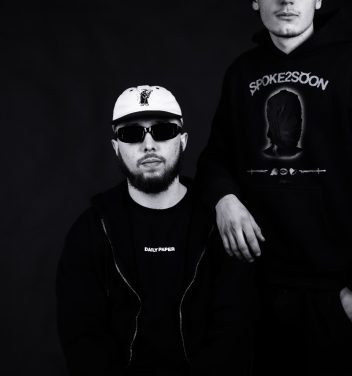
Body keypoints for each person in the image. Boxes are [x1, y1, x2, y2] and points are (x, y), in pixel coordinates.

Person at [196, 0, 352, 375]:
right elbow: (214, 158)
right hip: (258, 293)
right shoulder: (241, 73)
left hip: (337, 293)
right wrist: (223, 199)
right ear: (255, 0)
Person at [56, 85, 255, 376]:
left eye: (163, 131)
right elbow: (83, 337)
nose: (148, 145)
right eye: (131, 134)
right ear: (116, 147)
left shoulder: (219, 223)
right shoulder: (92, 230)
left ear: (183, 141)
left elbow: (235, 331)